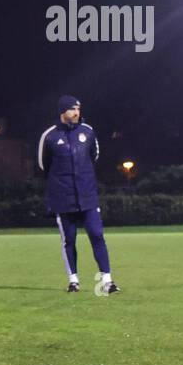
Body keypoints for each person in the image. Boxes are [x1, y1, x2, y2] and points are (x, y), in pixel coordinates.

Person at [37, 95, 120, 294]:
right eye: (72, 109)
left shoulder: (88, 132)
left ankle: (107, 281)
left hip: (87, 196)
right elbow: (43, 165)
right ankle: (73, 280)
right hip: (63, 198)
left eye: (78, 109)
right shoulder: (49, 136)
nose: (76, 113)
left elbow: (95, 156)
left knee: (97, 234)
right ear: (63, 112)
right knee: (69, 240)